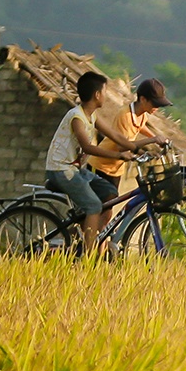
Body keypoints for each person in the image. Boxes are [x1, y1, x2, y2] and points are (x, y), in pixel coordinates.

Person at [44, 71, 136, 253]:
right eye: (105, 91)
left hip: (76, 170)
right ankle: (88, 255)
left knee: (109, 193)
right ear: (97, 94)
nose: (106, 96)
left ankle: (87, 234)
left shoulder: (91, 115)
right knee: (94, 206)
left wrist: (142, 147)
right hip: (61, 170)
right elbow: (88, 147)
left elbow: (116, 136)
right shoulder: (77, 117)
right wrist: (119, 156)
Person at [91, 76, 175, 225]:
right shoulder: (125, 115)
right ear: (143, 99)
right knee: (100, 209)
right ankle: (88, 236)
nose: (157, 108)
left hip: (115, 169)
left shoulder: (141, 114)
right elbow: (123, 146)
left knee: (107, 211)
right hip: (101, 165)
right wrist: (152, 140)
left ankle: (98, 238)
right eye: (155, 104)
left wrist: (155, 138)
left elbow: (140, 127)